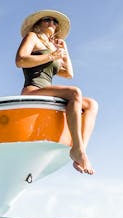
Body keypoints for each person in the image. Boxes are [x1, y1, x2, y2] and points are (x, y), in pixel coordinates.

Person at [15, 9, 98, 174]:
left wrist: (64, 52)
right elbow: (20, 60)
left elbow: (68, 73)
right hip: (33, 90)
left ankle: (79, 149)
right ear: (38, 24)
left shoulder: (52, 48)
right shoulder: (32, 37)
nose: (52, 23)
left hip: (47, 91)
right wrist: (51, 56)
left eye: (55, 22)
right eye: (48, 20)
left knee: (92, 105)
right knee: (75, 93)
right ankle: (78, 149)